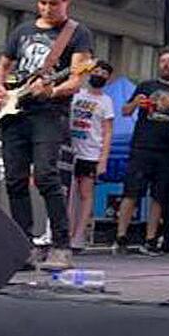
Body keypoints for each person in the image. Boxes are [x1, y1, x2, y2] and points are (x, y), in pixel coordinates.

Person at [0, 0, 94, 271]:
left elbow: (76, 79)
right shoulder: (22, 30)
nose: (47, 8)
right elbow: (5, 64)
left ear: (66, 1)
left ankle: (61, 245)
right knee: (14, 179)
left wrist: (52, 90)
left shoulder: (77, 33)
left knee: (47, 175)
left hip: (49, 113)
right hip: (16, 112)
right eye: (43, 2)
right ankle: (24, 244)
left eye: (53, 3)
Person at [115, 47, 169, 254]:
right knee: (131, 192)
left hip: (168, 150)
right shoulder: (146, 86)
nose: (166, 64)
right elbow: (125, 112)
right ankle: (121, 236)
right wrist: (136, 103)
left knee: (158, 196)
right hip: (142, 146)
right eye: (163, 61)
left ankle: (151, 238)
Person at [68, 59, 115, 250]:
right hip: (71, 150)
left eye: (104, 73)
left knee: (86, 194)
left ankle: (79, 235)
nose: (100, 75)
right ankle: (66, 232)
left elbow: (108, 131)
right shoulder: (77, 94)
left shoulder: (106, 101)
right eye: (97, 71)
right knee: (69, 193)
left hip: (91, 152)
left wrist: (103, 158)